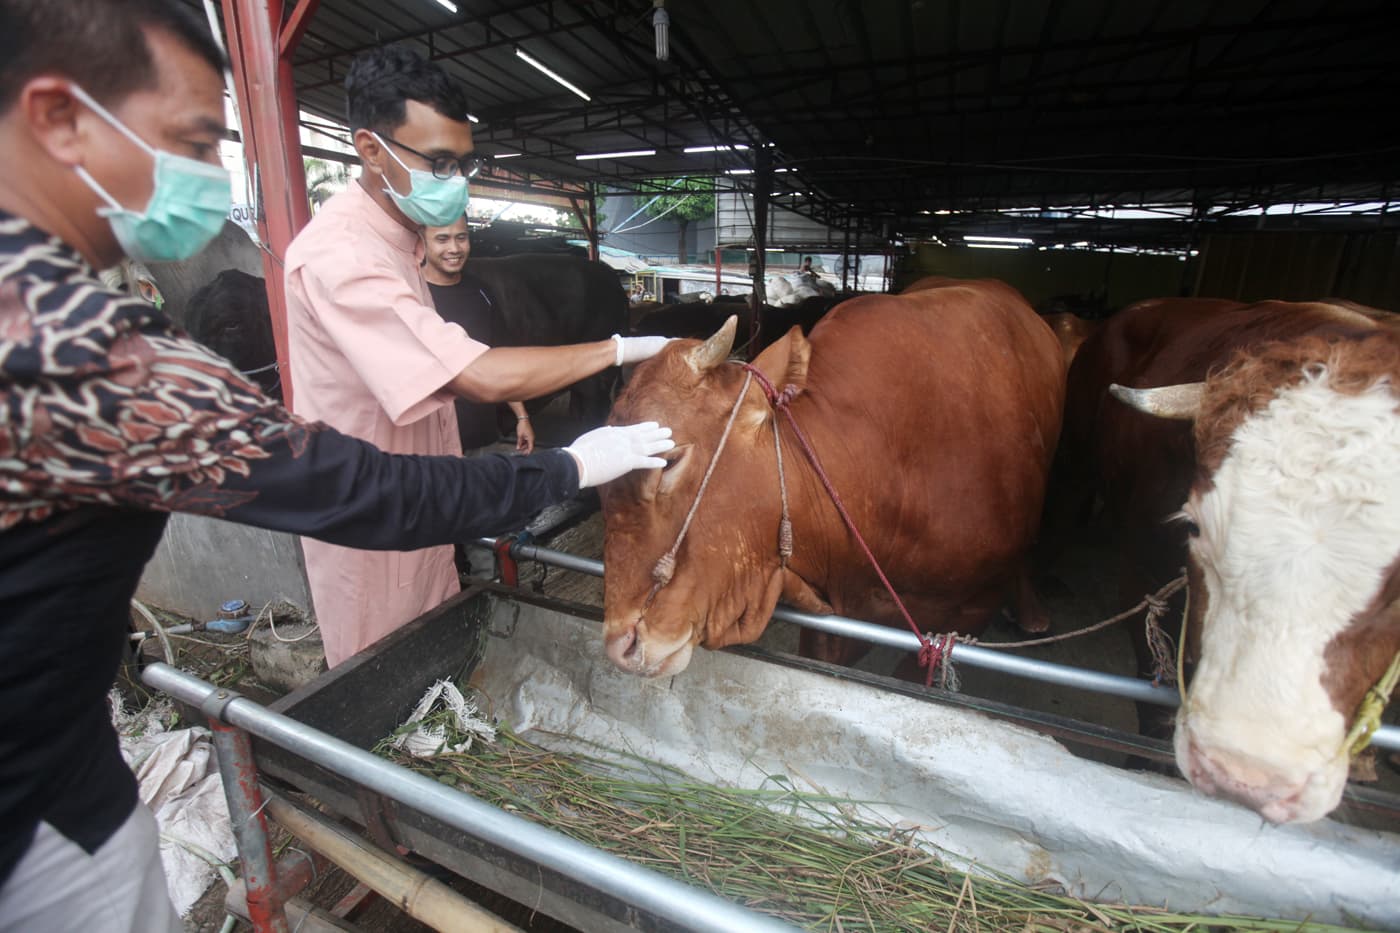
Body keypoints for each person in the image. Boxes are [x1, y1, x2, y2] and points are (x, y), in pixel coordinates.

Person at [0, 2, 672, 929]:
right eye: (187, 143)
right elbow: (360, 487)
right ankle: (402, 834)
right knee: (385, 691)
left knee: (421, 671)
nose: (207, 178)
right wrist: (571, 462)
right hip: (37, 813)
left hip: (62, 763)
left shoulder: (68, 312)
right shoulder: (85, 351)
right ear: (57, 119)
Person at [285, 45, 671, 668]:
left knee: (436, 658)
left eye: (463, 163)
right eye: (439, 163)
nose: (456, 181)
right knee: (383, 674)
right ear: (372, 150)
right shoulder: (342, 257)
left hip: (425, 499)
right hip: (373, 517)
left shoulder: (402, 246)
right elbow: (475, 373)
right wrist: (616, 350)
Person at [419, 215, 533, 455]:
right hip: (429, 443)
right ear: (422, 241)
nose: (454, 248)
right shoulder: (410, 294)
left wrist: (522, 416)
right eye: (442, 239)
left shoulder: (481, 292)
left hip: (481, 437)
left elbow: (500, 358)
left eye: (461, 238)